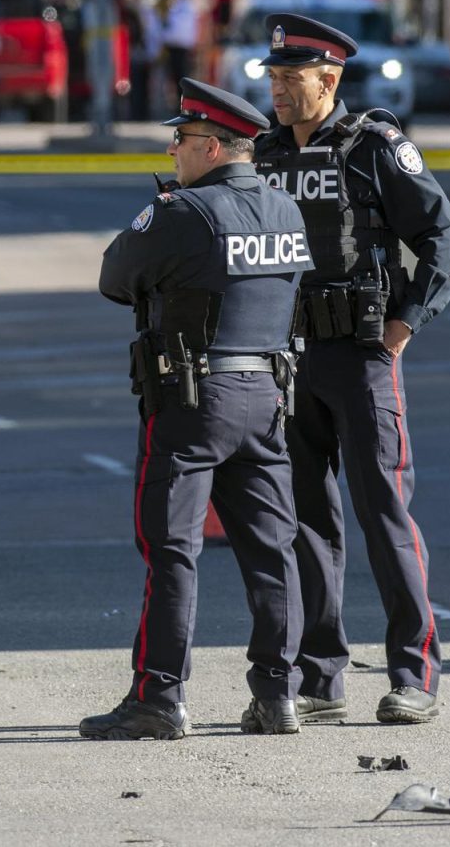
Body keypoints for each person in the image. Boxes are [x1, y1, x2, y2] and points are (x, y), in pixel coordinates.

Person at [81, 78, 313, 741]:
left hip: (191, 401)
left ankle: (160, 697)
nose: (173, 150)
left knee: (172, 550)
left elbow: (113, 278)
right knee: (273, 552)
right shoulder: (287, 211)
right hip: (267, 399)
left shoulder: (183, 213)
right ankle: (278, 696)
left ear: (212, 146)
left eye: (180, 140)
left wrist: (158, 216)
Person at [253, 14, 450, 726]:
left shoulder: (373, 146)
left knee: (383, 515)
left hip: (360, 358)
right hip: (288, 362)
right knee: (306, 523)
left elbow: (442, 235)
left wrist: (406, 323)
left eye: (291, 78)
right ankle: (320, 677)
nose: (278, 90)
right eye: (273, 78)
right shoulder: (262, 155)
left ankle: (415, 675)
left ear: (330, 78)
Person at [159, 0, 197, 108]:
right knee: (177, 77)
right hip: (175, 46)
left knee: (182, 77)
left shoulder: (183, 6)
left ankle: (184, 104)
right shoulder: (177, 6)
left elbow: (178, 27)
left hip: (182, 47)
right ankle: (179, 103)